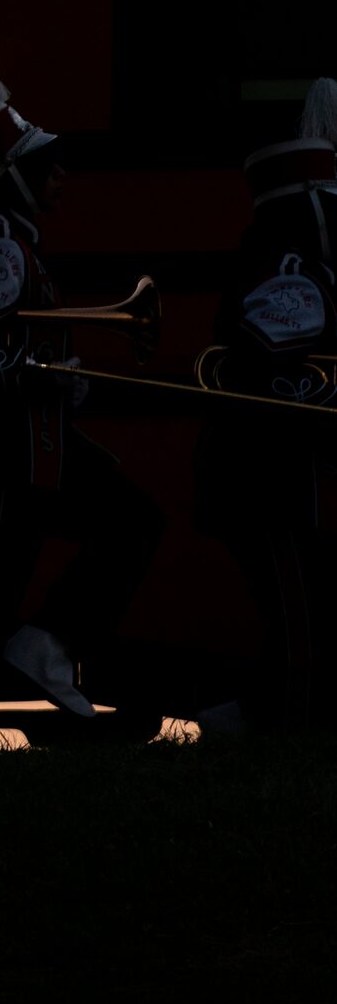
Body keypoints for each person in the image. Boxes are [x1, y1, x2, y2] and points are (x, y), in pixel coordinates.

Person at [0, 37, 161, 746]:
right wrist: (35, 372)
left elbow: (7, 344)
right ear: (14, 176)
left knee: (131, 521)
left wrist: (64, 377)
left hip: (32, 450)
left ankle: (47, 643)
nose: (61, 178)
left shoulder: (17, 242)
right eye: (47, 167)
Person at [197, 79, 337, 729]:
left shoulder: (290, 260)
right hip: (269, 480)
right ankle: (274, 730)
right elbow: (287, 369)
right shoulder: (287, 267)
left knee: (304, 617)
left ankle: (239, 721)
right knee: (302, 626)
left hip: (278, 480)